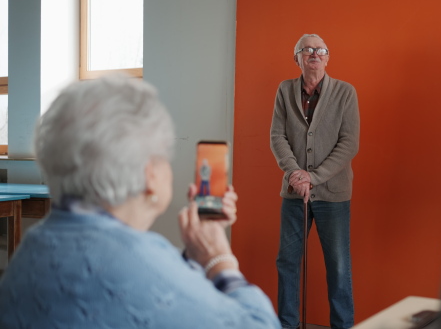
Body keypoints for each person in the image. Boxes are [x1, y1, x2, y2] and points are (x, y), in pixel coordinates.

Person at [0, 75, 280, 329]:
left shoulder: (30, 250)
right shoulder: (139, 268)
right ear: (150, 174)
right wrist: (219, 260)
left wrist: (195, 253)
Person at [270, 34, 360, 329]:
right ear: (296, 58)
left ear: (328, 57)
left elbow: (349, 144)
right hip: (294, 193)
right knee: (287, 262)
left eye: (320, 50)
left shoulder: (345, 93)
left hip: (333, 194)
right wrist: (296, 175)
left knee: (338, 265)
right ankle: (287, 324)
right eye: (306, 49)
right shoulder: (285, 90)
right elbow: (277, 137)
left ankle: (342, 325)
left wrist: (314, 177)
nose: (314, 54)